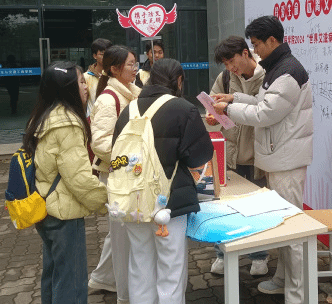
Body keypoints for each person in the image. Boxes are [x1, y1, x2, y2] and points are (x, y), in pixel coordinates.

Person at [213, 16, 313, 304]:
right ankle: (283, 279)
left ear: (272, 40)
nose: (254, 50)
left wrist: (228, 110)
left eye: (256, 45)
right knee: (283, 225)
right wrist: (233, 100)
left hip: (286, 161)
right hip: (278, 158)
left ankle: (298, 294)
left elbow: (264, 114)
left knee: (293, 230)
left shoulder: (288, 72)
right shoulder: (277, 68)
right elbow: (260, 102)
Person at [113, 58, 214, 304]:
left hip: (134, 201)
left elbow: (117, 155)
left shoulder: (129, 110)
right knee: (170, 267)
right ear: (179, 80)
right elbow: (199, 156)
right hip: (169, 204)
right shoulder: (183, 108)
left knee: (140, 264)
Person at [24, 61, 107, 304]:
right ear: (67, 88)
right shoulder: (68, 124)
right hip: (63, 212)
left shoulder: (44, 116)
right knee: (71, 281)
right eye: (81, 82)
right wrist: (105, 200)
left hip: (46, 206)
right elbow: (79, 178)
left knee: (54, 275)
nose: (86, 86)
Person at [206, 36, 269, 276]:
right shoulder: (224, 78)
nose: (230, 67)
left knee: (257, 208)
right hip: (230, 154)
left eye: (231, 61)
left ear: (245, 53)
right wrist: (213, 116)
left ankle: (259, 256)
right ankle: (223, 253)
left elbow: (263, 108)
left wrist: (232, 102)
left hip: (256, 154)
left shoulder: (267, 76)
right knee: (225, 208)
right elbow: (212, 103)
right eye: (225, 64)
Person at [88, 45, 141, 303]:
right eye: (131, 64)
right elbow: (100, 143)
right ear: (115, 69)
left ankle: (103, 278)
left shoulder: (131, 93)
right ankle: (123, 292)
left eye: (135, 63)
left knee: (119, 232)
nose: (135, 69)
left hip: (127, 173)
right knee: (121, 236)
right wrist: (131, 154)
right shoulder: (109, 100)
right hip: (116, 175)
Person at [85, 38, 113, 116]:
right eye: (102, 54)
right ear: (95, 56)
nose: (106, 57)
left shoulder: (116, 75)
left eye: (109, 54)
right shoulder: (86, 77)